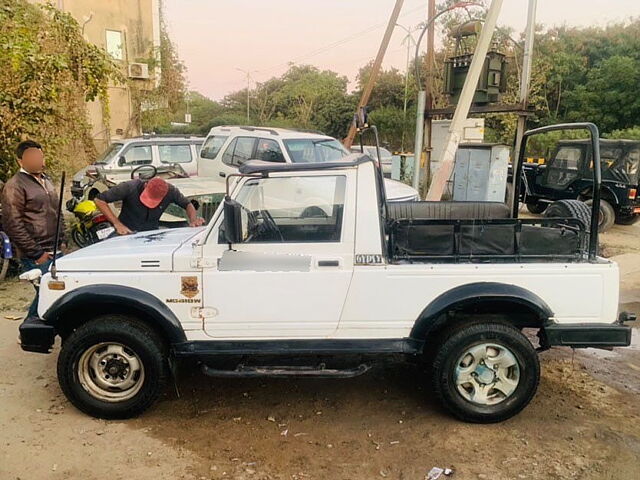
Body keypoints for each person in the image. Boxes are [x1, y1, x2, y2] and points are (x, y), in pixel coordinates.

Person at [1, 140, 66, 318]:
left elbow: (57, 211)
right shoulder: (15, 186)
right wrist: (37, 253)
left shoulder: (46, 180)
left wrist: (63, 238)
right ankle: (29, 329)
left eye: (40, 156)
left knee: (54, 293)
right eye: (32, 157)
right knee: (47, 293)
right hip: (36, 253)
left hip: (56, 248)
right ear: (20, 161)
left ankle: (39, 329)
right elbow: (12, 224)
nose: (38, 160)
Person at [94, 176, 204, 235]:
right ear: (146, 185)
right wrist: (117, 224)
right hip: (126, 232)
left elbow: (187, 204)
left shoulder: (171, 191)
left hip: (151, 234)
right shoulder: (129, 187)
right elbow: (99, 200)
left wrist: (193, 219)